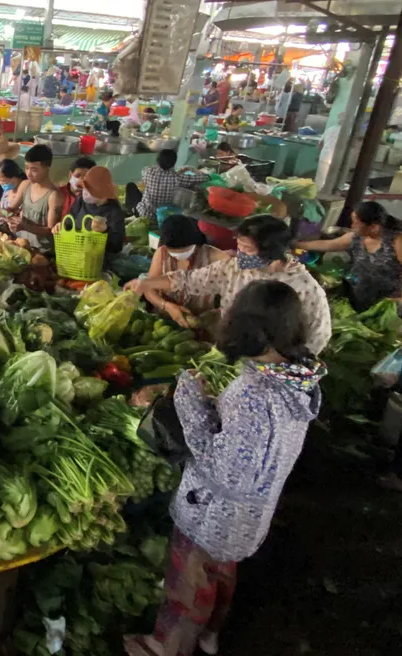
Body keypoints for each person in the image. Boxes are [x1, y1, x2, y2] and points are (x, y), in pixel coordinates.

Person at [124, 280, 324, 656]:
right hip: (252, 514)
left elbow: (220, 467)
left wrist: (190, 401)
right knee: (223, 573)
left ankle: (165, 646)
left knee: (189, 582)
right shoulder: (297, 380)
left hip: (211, 513)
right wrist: (218, 406)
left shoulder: (253, 393)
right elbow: (253, 444)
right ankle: (209, 636)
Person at [125, 215, 331, 352]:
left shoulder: (305, 289)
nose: (238, 254)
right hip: (227, 350)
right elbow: (189, 280)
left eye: (246, 249)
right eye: (238, 246)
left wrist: (281, 363)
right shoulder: (232, 268)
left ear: (270, 250)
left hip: (269, 365)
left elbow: (317, 338)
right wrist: (147, 283)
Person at [296, 201, 402, 311]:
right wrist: (298, 245)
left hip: (386, 302)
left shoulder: (396, 241)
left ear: (373, 227)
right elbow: (330, 244)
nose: (352, 226)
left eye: (356, 223)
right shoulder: (357, 237)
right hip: (357, 292)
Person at [143, 215, 230, 324]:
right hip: (165, 320)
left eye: (184, 250)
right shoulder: (162, 253)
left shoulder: (216, 258)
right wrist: (166, 306)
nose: (178, 256)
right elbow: (148, 288)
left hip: (200, 322)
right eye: (173, 252)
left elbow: (231, 295)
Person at [4, 145, 63, 250]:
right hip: (21, 243)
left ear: (47, 168)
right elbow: (12, 209)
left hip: (40, 249)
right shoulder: (25, 185)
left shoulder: (54, 195)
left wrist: (24, 226)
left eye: (34, 170)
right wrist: (4, 213)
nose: (28, 174)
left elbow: (49, 230)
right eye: (26, 168)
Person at [60, 165, 126, 256]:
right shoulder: (81, 201)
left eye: (89, 190)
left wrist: (104, 231)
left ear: (102, 194)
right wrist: (60, 227)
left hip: (97, 260)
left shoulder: (114, 211)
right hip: (75, 254)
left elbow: (116, 247)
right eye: (84, 188)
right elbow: (68, 223)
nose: (84, 192)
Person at [134, 149, 210, 221]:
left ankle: (133, 211)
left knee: (132, 187)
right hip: (163, 215)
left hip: (145, 213)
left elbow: (144, 172)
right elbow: (203, 178)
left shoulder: (148, 172)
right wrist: (193, 170)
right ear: (174, 163)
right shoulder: (178, 178)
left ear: (158, 161)